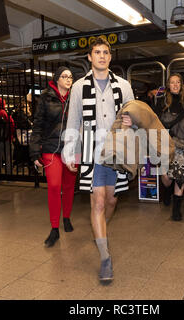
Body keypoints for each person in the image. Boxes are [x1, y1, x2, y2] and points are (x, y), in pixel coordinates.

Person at [64, 36, 134, 282]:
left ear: (110, 57)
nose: (102, 56)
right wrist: (70, 151)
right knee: (99, 203)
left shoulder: (124, 86)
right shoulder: (78, 87)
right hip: (91, 152)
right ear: (90, 57)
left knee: (112, 201)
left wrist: (131, 120)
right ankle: (105, 257)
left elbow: (134, 116)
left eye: (105, 52)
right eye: (97, 52)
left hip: (117, 152)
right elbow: (73, 121)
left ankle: (99, 229)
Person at [29, 66, 76, 247]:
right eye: (64, 76)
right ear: (56, 79)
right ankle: (54, 228)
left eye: (70, 77)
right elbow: (38, 125)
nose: (68, 79)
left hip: (71, 148)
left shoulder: (75, 97)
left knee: (69, 186)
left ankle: (66, 217)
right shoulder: (46, 98)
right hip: (51, 148)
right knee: (55, 186)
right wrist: (34, 152)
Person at [153, 73, 184, 221]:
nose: (175, 85)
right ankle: (167, 191)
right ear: (168, 85)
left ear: (181, 84)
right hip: (166, 143)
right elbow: (158, 121)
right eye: (172, 82)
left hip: (183, 144)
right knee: (166, 177)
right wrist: (178, 120)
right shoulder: (162, 101)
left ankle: (176, 211)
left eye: (178, 82)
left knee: (179, 177)